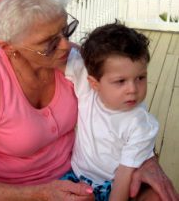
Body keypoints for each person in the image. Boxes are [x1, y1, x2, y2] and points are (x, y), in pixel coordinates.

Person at [0, 0, 178, 201]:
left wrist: (147, 159)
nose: (66, 46)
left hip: (79, 181)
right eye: (49, 43)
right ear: (8, 46)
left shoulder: (71, 62)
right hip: (16, 194)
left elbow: (128, 111)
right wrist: (40, 194)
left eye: (65, 29)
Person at [62, 22, 160, 201]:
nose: (133, 89)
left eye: (140, 77)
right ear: (94, 83)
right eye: (121, 81)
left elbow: (124, 175)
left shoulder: (141, 125)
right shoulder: (86, 85)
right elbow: (56, 54)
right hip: (76, 177)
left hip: (114, 185)